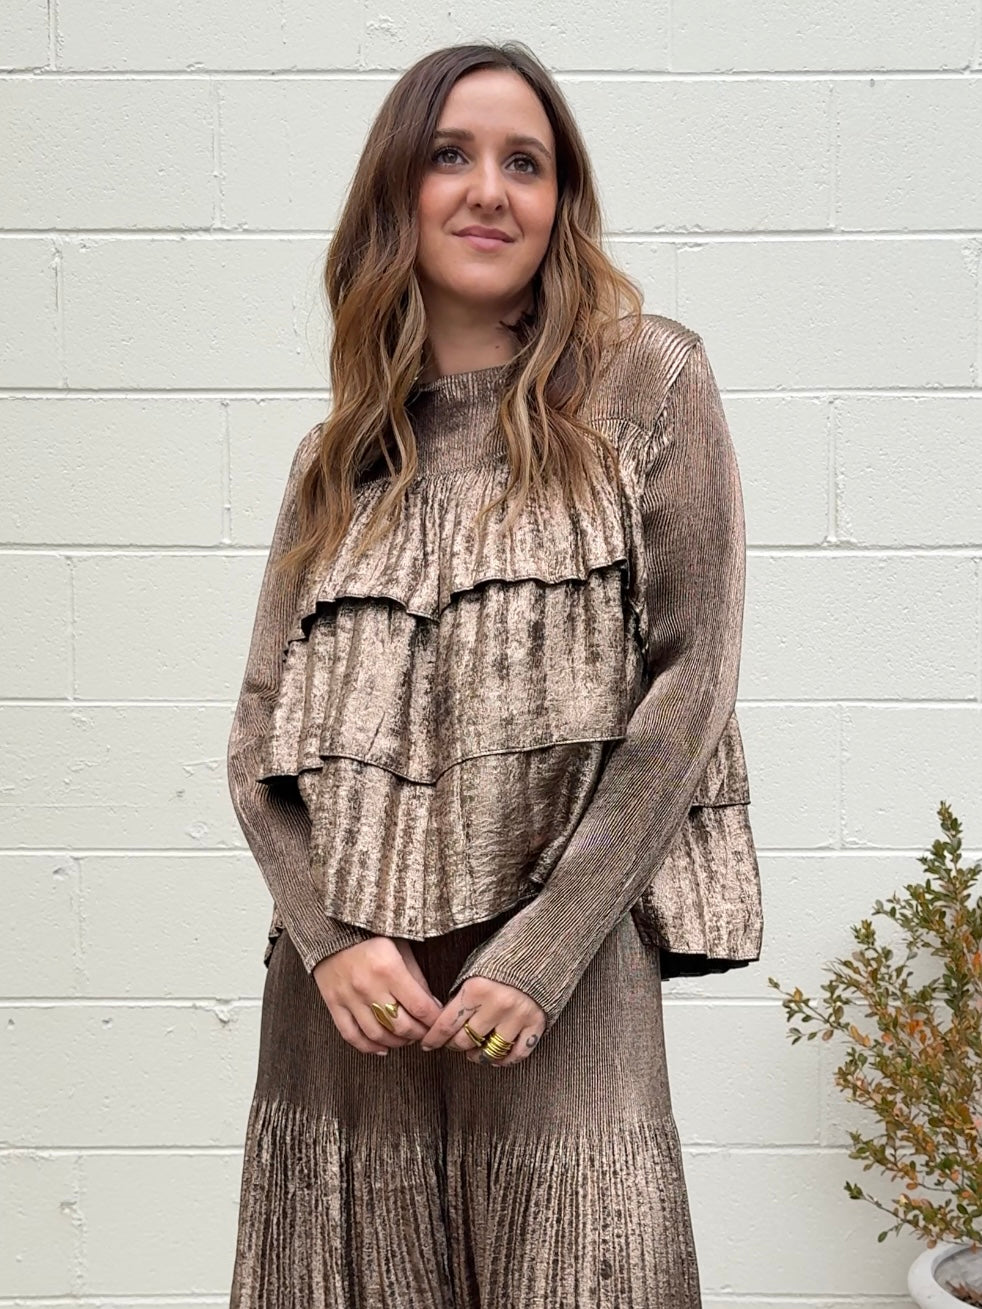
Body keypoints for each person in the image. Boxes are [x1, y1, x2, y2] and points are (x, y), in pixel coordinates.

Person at [226, 39, 763, 1308]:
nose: (488, 189)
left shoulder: (649, 381)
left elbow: (689, 687)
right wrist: (331, 942)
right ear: (396, 194)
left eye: (525, 163)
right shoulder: (335, 458)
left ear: (560, 202)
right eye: (449, 155)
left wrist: (542, 952)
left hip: (564, 981)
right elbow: (257, 736)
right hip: (356, 1005)